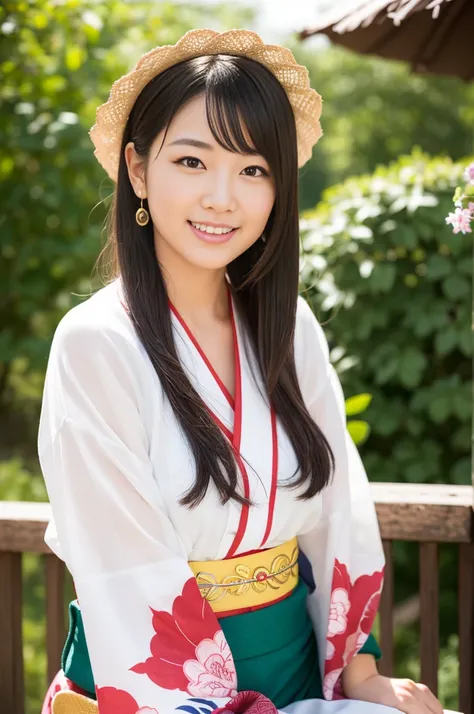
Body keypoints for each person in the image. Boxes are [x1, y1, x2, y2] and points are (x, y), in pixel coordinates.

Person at [38, 28, 444, 714]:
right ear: (137, 170)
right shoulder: (95, 344)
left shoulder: (289, 328)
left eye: (254, 169)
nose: (223, 197)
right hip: (152, 683)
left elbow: (338, 513)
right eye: (192, 162)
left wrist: (361, 670)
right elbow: (122, 568)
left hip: (298, 667)